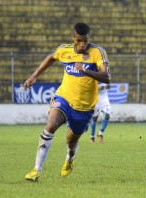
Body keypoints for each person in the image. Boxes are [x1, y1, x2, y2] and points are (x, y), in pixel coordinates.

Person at [24, 22, 110, 181]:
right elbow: (51, 58)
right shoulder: (64, 49)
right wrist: (34, 75)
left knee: (71, 143)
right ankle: (36, 169)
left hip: (84, 108)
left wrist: (84, 70)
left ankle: (70, 158)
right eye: (79, 41)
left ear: (89, 38)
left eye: (85, 40)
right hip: (64, 98)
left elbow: (106, 77)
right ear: (73, 38)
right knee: (51, 125)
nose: (82, 44)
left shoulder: (98, 52)